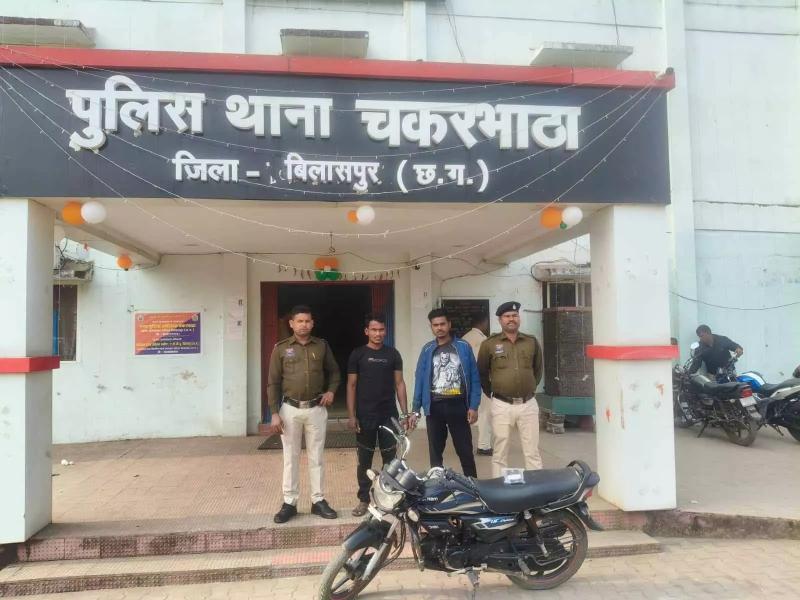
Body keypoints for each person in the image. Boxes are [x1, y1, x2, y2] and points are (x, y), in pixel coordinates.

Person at [267, 305, 341, 524]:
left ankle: (318, 500)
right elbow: (273, 383)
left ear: (312, 323)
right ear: (291, 324)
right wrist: (274, 413)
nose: (304, 325)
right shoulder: (281, 348)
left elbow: (335, 372)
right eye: (299, 321)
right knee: (290, 457)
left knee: (317, 456)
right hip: (289, 410)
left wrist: (331, 391)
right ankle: (289, 503)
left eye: (307, 321)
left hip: (316, 409)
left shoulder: (322, 346)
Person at [346, 313, 409, 517]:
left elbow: (399, 383)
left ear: (385, 331)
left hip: (389, 415)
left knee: (390, 460)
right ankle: (364, 499)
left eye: (381, 330)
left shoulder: (393, 354)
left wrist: (405, 414)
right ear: (367, 331)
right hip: (365, 416)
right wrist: (351, 415)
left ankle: (388, 496)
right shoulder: (358, 354)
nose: (378, 333)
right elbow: (351, 385)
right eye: (374, 330)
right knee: (364, 460)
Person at [409, 308, 480, 478]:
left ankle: (474, 487)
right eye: (435, 325)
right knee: (435, 455)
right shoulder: (427, 349)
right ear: (431, 327)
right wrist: (415, 409)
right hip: (434, 407)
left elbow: (474, 378)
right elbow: (420, 379)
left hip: (458, 406)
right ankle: (437, 486)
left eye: (442, 324)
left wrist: (473, 406)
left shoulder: (463, 347)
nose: (439, 328)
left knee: (465, 451)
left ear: (449, 324)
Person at [477, 301, 544, 477]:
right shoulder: (489, 344)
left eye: (515, 315)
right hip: (502, 404)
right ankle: (500, 487)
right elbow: (482, 372)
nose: (511, 319)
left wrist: (528, 386)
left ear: (519, 318)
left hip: (528, 404)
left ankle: (537, 486)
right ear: (500, 320)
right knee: (500, 451)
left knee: (532, 451)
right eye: (507, 316)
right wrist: (492, 393)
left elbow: (538, 370)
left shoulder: (531, 342)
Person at [461, 314, 493, 456]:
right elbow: (484, 364)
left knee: (466, 413)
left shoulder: (464, 339)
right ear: (483, 323)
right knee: (485, 413)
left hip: (465, 382)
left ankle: (463, 444)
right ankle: (484, 446)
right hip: (480, 381)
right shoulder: (483, 340)